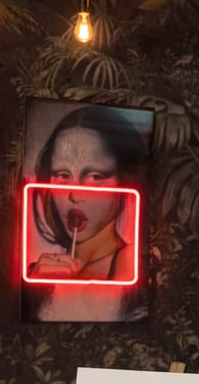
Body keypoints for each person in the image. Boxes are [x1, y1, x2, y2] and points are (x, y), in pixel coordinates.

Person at [22, 104, 150, 321]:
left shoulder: (135, 269)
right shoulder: (35, 274)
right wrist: (33, 295)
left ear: (125, 180)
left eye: (95, 177)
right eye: (62, 175)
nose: (75, 194)